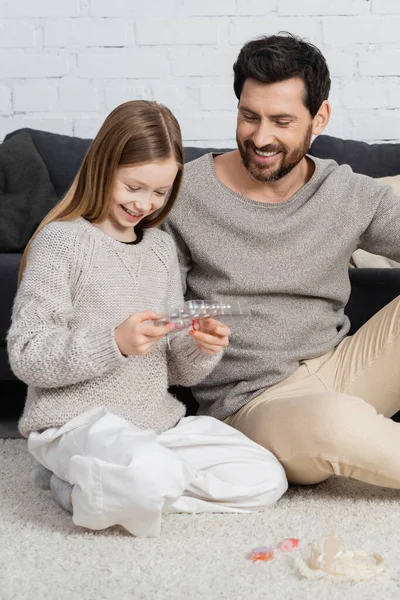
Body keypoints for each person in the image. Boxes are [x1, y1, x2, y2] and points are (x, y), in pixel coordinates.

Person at [7, 100, 288, 538]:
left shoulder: (159, 250)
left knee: (266, 477)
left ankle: (117, 486)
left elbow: (174, 369)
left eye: (160, 193)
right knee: (150, 474)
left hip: (156, 426)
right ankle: (76, 483)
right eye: (134, 187)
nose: (145, 204)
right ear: (104, 168)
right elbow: (26, 354)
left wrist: (199, 346)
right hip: (76, 423)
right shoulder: (61, 243)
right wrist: (114, 343)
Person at [162, 33, 400, 490]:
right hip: (253, 405)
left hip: (343, 369)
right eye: (249, 116)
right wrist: (195, 324)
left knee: (339, 413)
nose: (261, 137)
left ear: (320, 117)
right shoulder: (183, 193)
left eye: (281, 121)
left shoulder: (344, 191)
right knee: (334, 421)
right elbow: (155, 308)